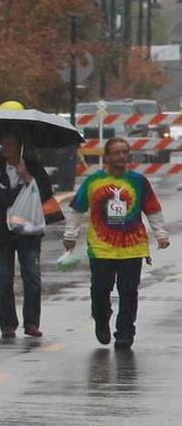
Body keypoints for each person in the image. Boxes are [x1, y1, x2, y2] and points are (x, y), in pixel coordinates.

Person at [63, 137, 169, 350]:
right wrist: (70, 234)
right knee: (100, 290)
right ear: (108, 157)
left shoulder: (138, 181)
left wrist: (161, 233)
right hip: (101, 248)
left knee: (129, 292)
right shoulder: (94, 182)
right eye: (117, 152)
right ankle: (102, 318)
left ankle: (125, 332)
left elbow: (152, 209)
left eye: (125, 152)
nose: (122, 156)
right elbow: (77, 209)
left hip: (132, 247)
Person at [0, 132, 53, 338]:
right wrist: (15, 196)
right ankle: (8, 324)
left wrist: (27, 177)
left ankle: (31, 323)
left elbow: (45, 193)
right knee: (3, 277)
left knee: (31, 276)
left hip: (28, 230)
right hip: (0, 231)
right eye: (4, 143)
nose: (7, 147)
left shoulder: (34, 168)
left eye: (11, 143)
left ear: (20, 145)